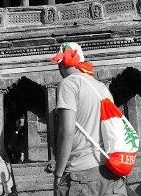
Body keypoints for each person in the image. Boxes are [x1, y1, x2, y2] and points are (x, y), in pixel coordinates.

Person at [51, 42, 127, 196]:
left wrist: (58, 173)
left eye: (59, 63)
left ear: (62, 63)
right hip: (110, 170)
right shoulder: (101, 87)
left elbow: (67, 131)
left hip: (81, 173)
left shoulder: (68, 84)